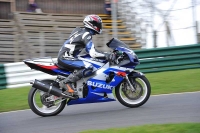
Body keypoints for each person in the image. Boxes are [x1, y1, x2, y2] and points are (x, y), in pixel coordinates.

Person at [57, 14, 116, 96]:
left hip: (66, 56)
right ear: (92, 24)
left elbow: (85, 50)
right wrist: (107, 55)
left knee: (87, 62)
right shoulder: (86, 34)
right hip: (65, 58)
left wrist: (104, 54)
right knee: (89, 67)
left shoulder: (79, 31)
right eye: (98, 24)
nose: (99, 26)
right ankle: (66, 82)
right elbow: (93, 53)